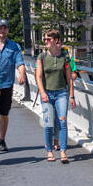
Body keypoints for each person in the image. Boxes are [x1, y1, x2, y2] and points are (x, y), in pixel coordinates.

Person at [35, 30, 74, 163]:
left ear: (56, 40)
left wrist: (72, 96)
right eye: (44, 39)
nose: (45, 42)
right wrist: (42, 92)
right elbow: (38, 76)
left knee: (62, 121)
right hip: (47, 93)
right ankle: (50, 151)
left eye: (48, 39)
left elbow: (69, 78)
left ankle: (63, 151)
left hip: (62, 93)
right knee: (48, 124)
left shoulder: (65, 57)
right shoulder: (42, 56)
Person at [0, 19, 24, 155]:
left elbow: (19, 62)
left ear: (7, 30)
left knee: (4, 114)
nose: (2, 31)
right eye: (0, 28)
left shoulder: (14, 46)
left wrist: (21, 74)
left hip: (6, 84)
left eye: (5, 28)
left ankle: (1, 140)